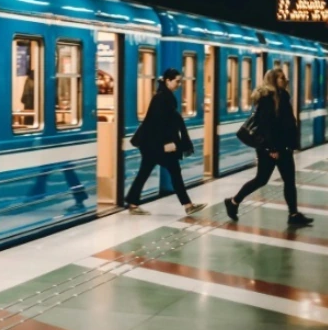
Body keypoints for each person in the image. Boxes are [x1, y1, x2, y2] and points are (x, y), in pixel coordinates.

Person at [225, 68, 313, 227]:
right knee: (261, 180)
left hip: (283, 147)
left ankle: (293, 214)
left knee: (289, 181)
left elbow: (286, 122)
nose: (285, 80)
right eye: (282, 78)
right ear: (273, 80)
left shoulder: (283, 96)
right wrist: (271, 149)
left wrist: (291, 144)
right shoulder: (266, 99)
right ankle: (233, 201)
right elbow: (266, 126)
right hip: (270, 148)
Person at [125, 68, 206, 216]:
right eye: (177, 81)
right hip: (158, 145)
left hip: (151, 144)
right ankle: (188, 205)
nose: (179, 84)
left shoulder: (163, 96)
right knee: (174, 173)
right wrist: (167, 142)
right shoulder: (163, 98)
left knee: (146, 172)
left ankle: (132, 202)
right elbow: (159, 123)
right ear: (168, 81)